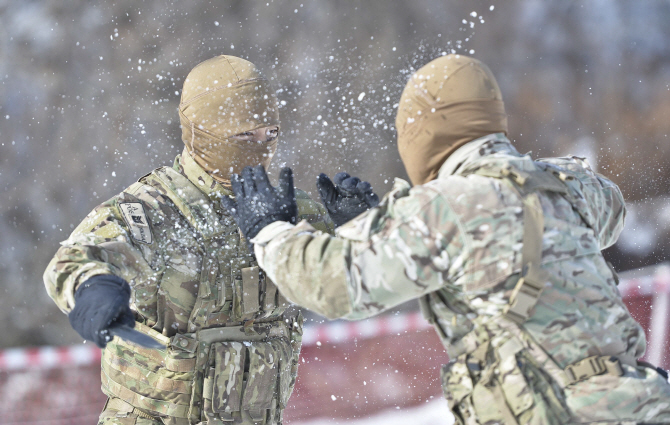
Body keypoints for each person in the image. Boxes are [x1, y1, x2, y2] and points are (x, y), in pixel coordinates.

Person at [223, 54, 670, 424]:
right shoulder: (564, 183)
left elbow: (335, 286)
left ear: (423, 129)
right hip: (639, 404)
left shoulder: (447, 206)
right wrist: (375, 228)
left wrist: (270, 229)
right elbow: (601, 211)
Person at [43, 55, 335, 425]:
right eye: (245, 134)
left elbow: (349, 283)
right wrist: (93, 287)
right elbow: (73, 261)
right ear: (204, 129)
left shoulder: (288, 211)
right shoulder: (153, 210)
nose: (260, 147)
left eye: (270, 133)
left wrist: (361, 227)